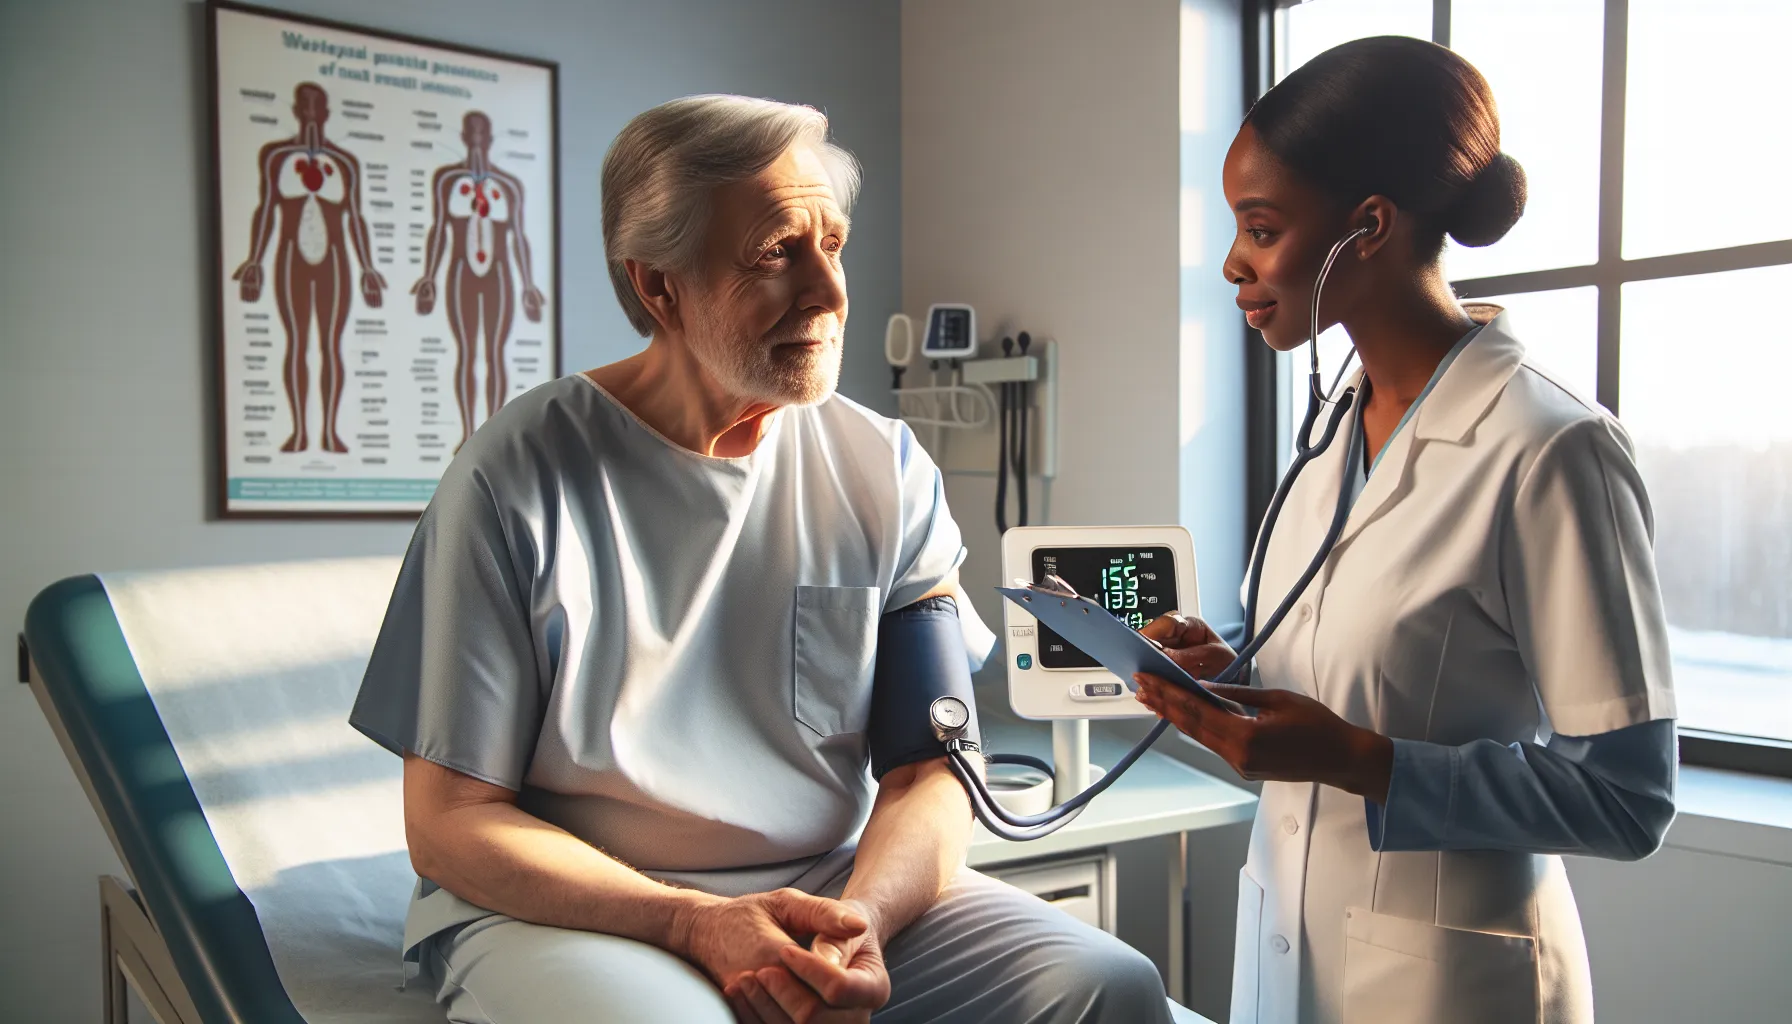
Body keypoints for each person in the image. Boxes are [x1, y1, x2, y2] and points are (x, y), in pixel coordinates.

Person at [350, 94, 1179, 1024]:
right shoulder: (517, 476)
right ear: (659, 285)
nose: (829, 294)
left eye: (833, 244)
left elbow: (928, 773)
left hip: (818, 887)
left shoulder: (883, 467)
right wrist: (694, 922)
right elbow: (451, 824)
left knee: (1106, 987)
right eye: (779, 251)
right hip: (578, 908)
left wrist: (856, 920)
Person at [1132, 37, 1677, 1024]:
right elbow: (1350, 673)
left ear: (1368, 226)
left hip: (1449, 981)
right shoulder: (1332, 426)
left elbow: (1628, 800)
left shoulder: (1550, 450)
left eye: (1260, 228)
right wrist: (1228, 678)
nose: (1231, 263)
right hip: (1290, 950)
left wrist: (1363, 762)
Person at [233, 82, 385, 454]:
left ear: (327, 113)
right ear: (298, 110)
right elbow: (266, 210)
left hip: (335, 260)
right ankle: (300, 431)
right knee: (297, 342)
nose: (312, 113)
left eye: (318, 107)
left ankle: (329, 432)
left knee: (331, 345)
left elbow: (356, 218)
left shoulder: (344, 162)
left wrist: (367, 268)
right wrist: (254, 259)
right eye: (305, 106)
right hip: (291, 258)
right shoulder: (277, 157)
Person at [413, 110, 548, 449]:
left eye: (481, 131)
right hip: (460, 272)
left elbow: (518, 237)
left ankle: (490, 434)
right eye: (470, 131)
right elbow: (438, 230)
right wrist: (428, 276)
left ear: (489, 138)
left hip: (499, 275)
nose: (476, 137)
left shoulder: (508, 185)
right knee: (466, 351)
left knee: (495, 352)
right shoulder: (446, 181)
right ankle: (467, 432)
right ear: (463, 136)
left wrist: (529, 284)